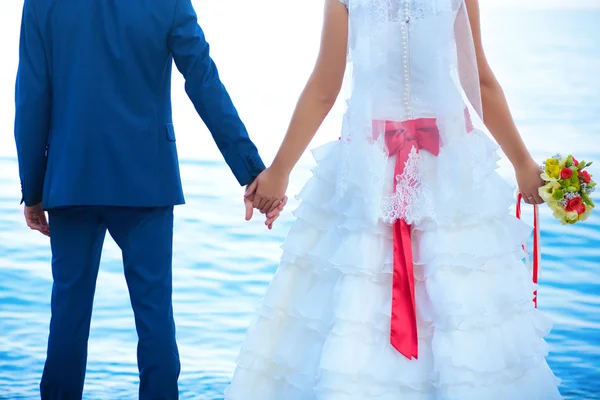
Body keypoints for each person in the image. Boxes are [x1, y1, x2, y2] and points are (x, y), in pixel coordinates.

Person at [231, 0, 562, 398]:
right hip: (448, 172)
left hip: (367, 172)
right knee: (459, 307)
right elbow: (482, 84)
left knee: (352, 305)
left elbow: (323, 90)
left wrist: (280, 171)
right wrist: (523, 163)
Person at [14, 0, 285, 398]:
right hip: (146, 179)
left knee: (67, 317)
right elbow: (203, 81)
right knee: (154, 316)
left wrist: (32, 188)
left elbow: (32, 97)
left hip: (72, 178)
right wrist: (250, 170)